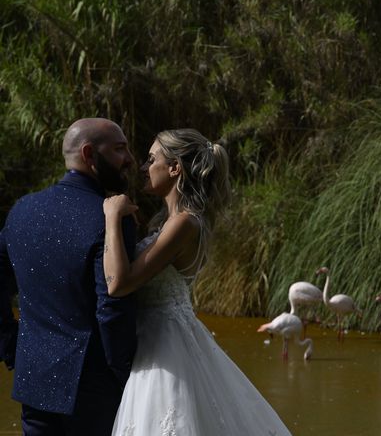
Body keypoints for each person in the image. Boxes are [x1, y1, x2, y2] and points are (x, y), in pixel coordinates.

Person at [104, 128, 291, 435]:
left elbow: (118, 284)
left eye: (151, 159)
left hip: (163, 345)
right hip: (163, 336)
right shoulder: (175, 222)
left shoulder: (184, 223)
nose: (141, 167)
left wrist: (111, 216)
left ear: (175, 167)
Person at [0, 118, 138, 435]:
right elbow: (112, 306)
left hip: (32, 380)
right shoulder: (112, 219)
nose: (130, 158)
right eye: (119, 149)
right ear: (90, 154)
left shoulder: (22, 210)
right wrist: (125, 373)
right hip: (95, 387)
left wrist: (10, 345)